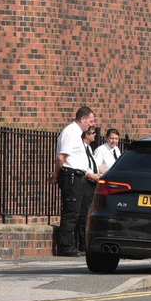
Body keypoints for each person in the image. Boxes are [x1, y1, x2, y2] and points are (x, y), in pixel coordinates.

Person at [50, 106, 95, 256]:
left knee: (78, 211)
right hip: (71, 176)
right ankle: (66, 246)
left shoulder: (77, 133)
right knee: (71, 211)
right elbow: (61, 157)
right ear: (82, 119)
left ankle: (73, 244)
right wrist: (56, 174)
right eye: (90, 121)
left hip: (77, 176)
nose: (91, 124)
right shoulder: (70, 132)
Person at [77, 127, 104, 252]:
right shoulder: (81, 147)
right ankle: (82, 243)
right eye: (93, 133)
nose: (95, 136)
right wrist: (90, 174)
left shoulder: (89, 148)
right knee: (84, 212)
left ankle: (84, 242)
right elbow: (82, 165)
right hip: (86, 182)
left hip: (93, 182)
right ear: (86, 135)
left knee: (88, 212)